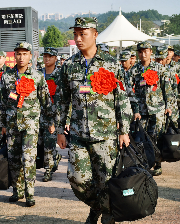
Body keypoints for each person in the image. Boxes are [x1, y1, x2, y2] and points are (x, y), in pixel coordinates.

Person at [57, 17, 132, 224]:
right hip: (78, 134)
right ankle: (97, 206)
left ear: (95, 34)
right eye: (75, 34)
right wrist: (60, 130)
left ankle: (106, 216)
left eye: (83, 34)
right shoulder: (69, 66)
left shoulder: (111, 64)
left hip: (106, 135)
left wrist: (124, 130)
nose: (78, 39)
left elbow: (122, 99)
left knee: (106, 181)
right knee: (77, 179)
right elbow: (62, 100)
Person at [0, 42, 52, 207]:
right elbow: (1, 102)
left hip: (30, 124)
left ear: (31, 56)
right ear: (14, 55)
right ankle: (17, 190)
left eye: (24, 54)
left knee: (28, 158)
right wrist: (2, 124)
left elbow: (46, 101)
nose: (21, 57)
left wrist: (51, 121)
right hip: (12, 124)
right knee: (14, 159)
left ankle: (30, 193)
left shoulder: (37, 76)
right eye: (18, 54)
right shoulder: (7, 76)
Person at [130, 42, 173, 176]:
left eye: (146, 51)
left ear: (151, 52)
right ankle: (145, 164)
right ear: (138, 53)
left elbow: (167, 88)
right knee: (143, 138)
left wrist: (169, 106)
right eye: (141, 51)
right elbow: (130, 92)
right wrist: (135, 109)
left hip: (158, 109)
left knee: (157, 137)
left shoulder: (159, 68)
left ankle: (158, 164)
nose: (143, 54)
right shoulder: (134, 70)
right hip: (141, 111)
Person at [38, 47, 62, 182]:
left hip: (53, 114)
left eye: (50, 56)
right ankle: (55, 157)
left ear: (55, 58)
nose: (47, 59)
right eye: (45, 56)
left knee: (49, 143)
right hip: (39, 113)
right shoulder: (38, 74)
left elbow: (62, 99)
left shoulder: (59, 75)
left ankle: (48, 170)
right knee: (40, 142)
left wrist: (56, 121)